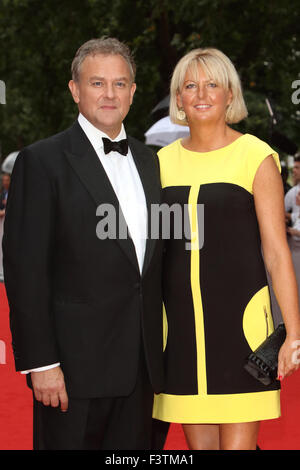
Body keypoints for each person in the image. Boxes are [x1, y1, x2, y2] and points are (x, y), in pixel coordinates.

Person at [3, 37, 164, 450]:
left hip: (145, 370)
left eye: (119, 83)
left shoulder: (151, 163)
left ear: (133, 91)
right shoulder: (41, 162)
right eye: (97, 83)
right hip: (73, 372)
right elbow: (26, 270)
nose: (109, 94)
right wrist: (41, 362)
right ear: (75, 90)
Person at [152, 47, 300, 450]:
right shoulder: (161, 164)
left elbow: (276, 252)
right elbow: (154, 251)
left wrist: (294, 334)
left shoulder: (255, 156)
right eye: (190, 85)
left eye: (212, 84)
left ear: (229, 94)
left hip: (242, 329)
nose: (202, 93)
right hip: (179, 333)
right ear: (178, 98)